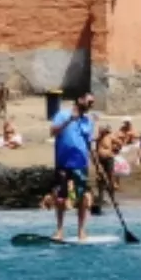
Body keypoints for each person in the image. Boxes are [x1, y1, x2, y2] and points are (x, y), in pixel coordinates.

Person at [49, 94, 96, 242]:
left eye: (92, 103)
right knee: (60, 197)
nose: (91, 105)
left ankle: (81, 231)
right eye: (89, 102)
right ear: (80, 100)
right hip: (63, 162)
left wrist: (97, 163)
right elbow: (53, 132)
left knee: (82, 198)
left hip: (80, 163)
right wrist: (70, 120)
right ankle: (59, 231)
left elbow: (89, 143)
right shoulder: (62, 115)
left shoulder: (87, 121)